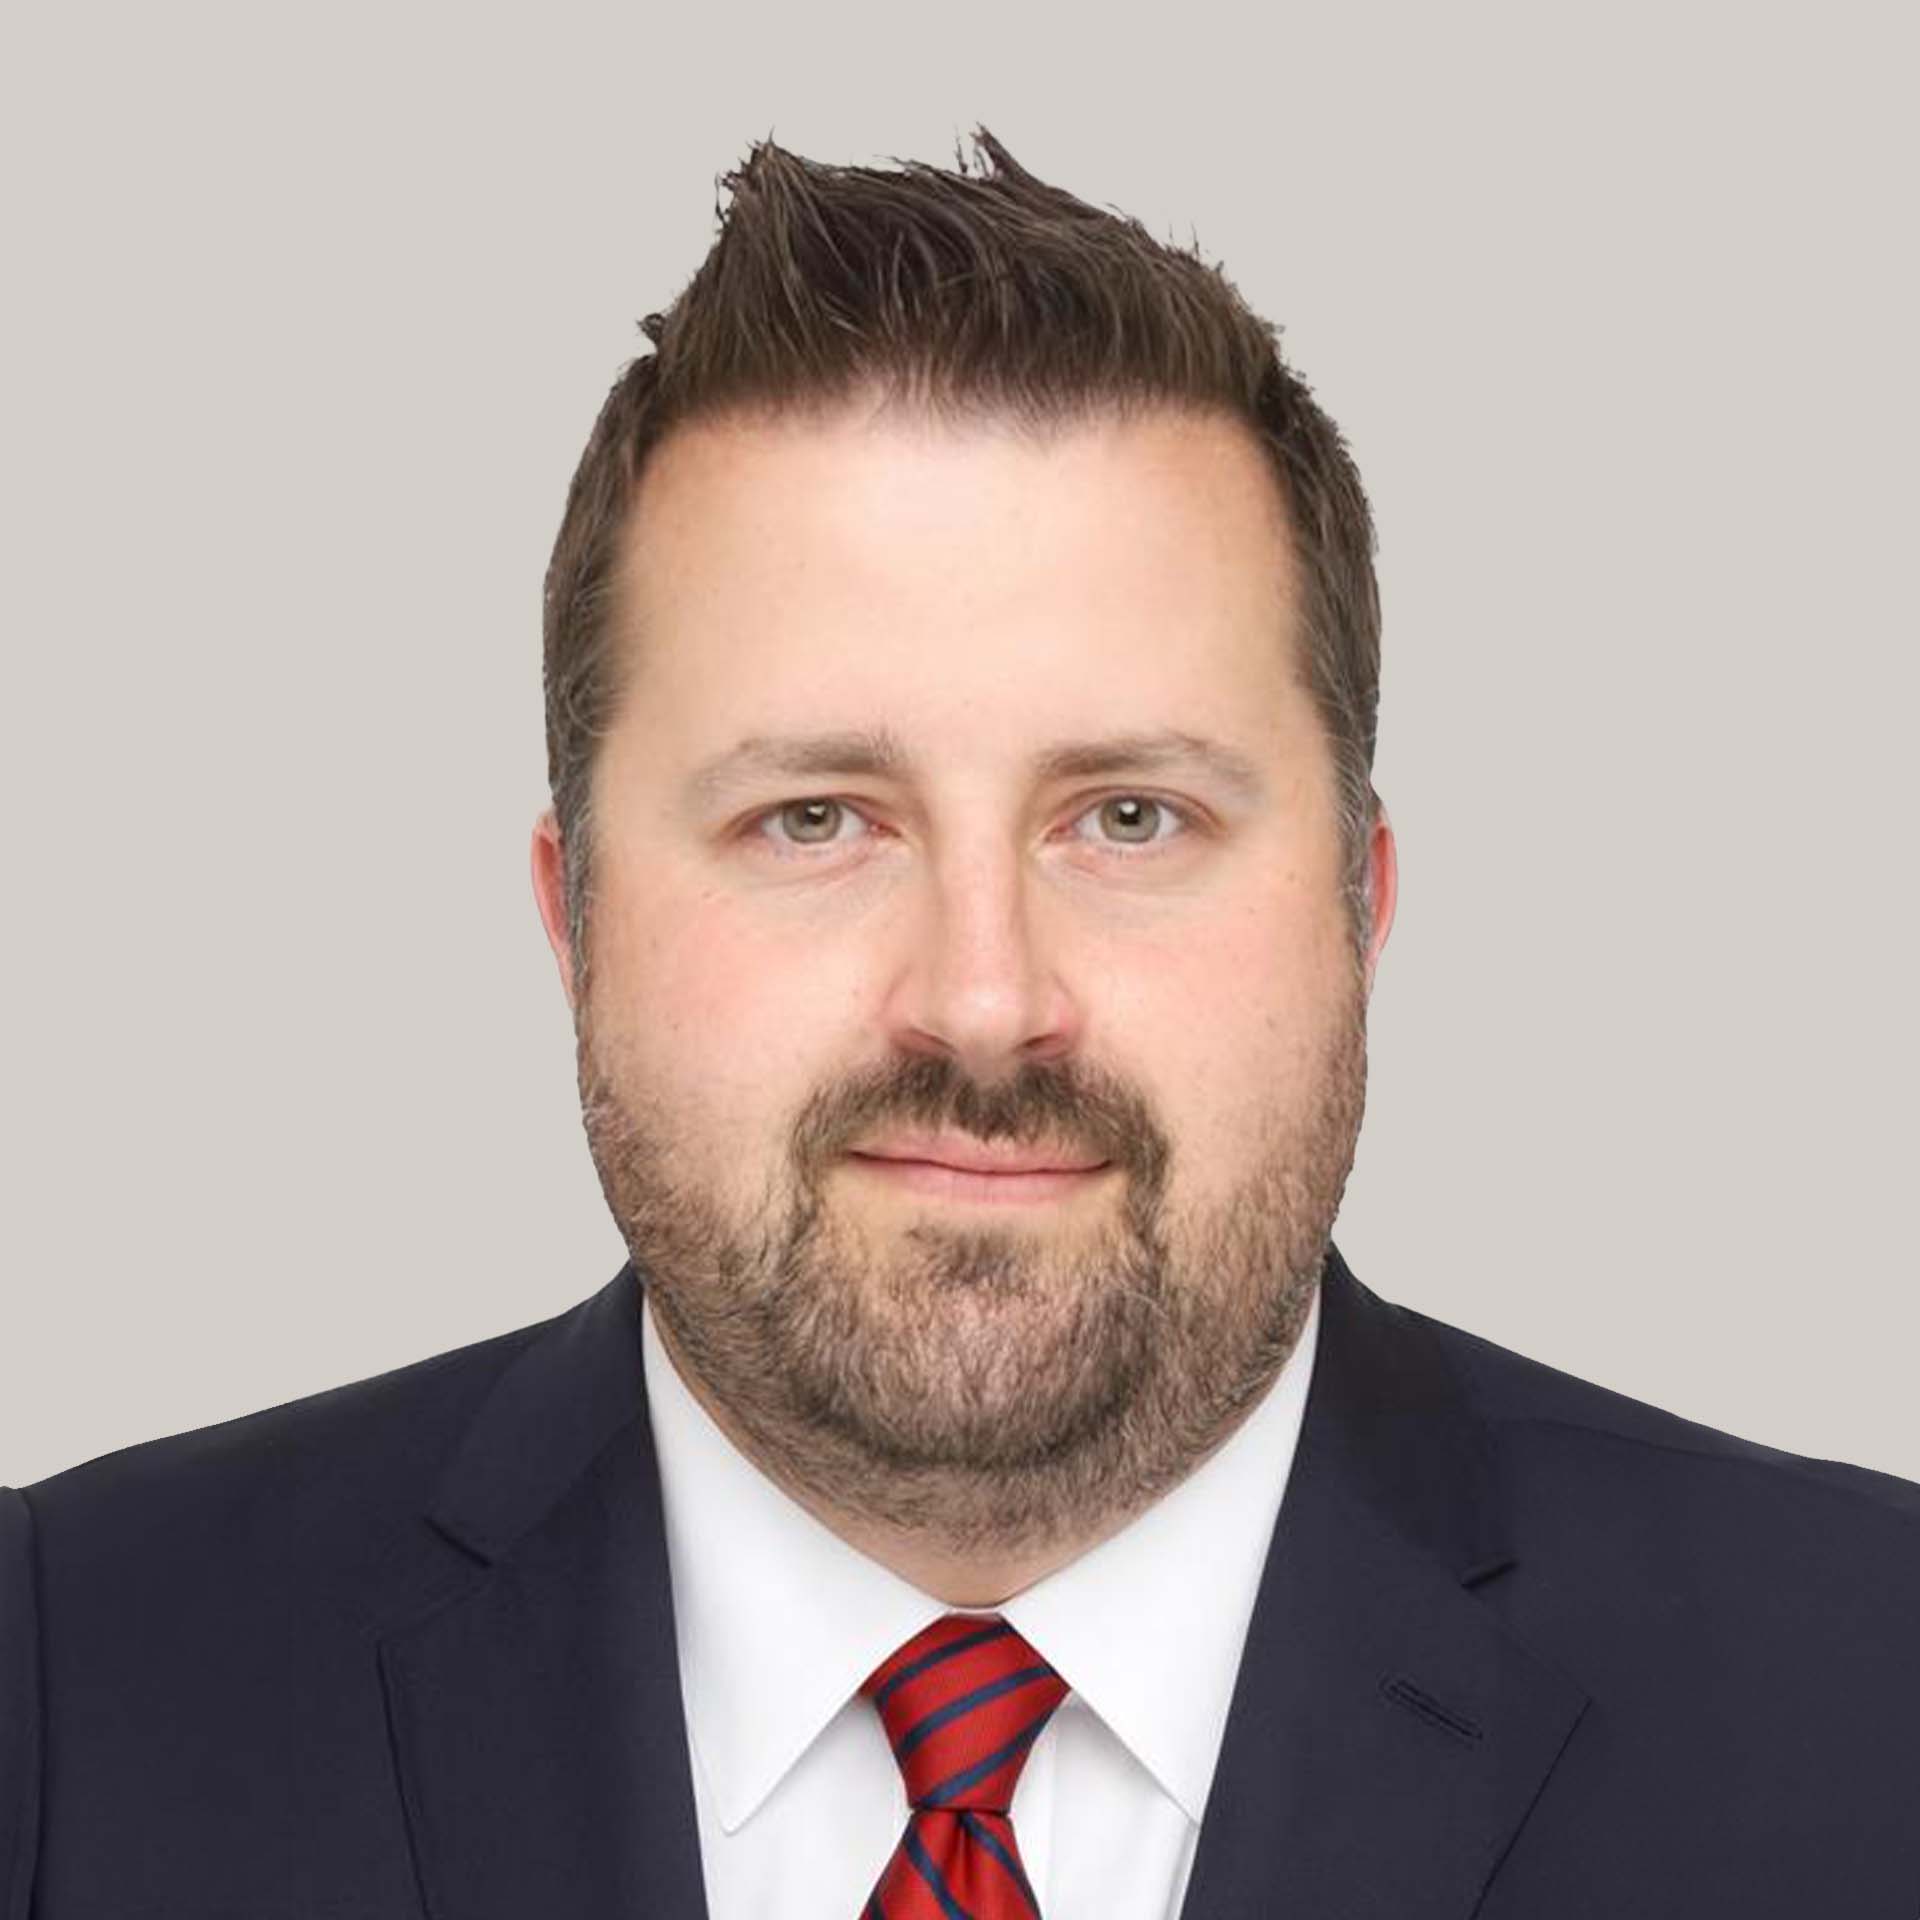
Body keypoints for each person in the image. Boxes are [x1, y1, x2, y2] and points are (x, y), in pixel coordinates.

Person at [3, 128, 1915, 1920]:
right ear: (574, 917)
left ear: (1364, 908)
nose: (984, 1002)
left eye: (1131, 818)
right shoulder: (64, 1688)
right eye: (815, 819)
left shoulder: (1871, 1695)